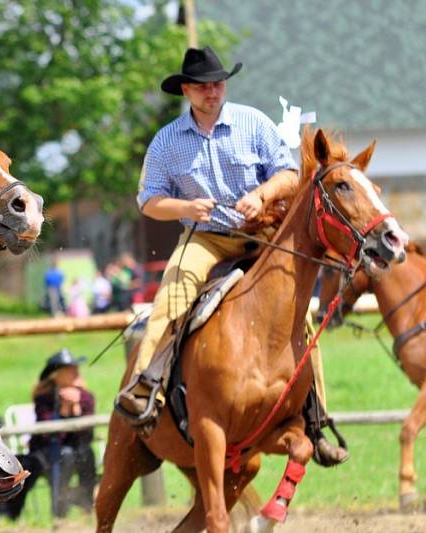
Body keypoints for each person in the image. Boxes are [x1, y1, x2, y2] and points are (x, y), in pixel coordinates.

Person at [114, 46, 348, 466]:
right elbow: (148, 202)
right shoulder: (166, 141)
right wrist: (185, 208)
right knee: (172, 297)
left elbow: (291, 174)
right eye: (203, 86)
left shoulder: (252, 122)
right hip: (207, 239)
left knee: (302, 317)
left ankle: (315, 417)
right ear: (186, 90)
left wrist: (262, 195)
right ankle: (144, 387)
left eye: (218, 83)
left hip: (264, 237)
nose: (212, 91)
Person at [2, 349, 97, 519]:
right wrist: (64, 409)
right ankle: (59, 511)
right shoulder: (44, 397)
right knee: (65, 453)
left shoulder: (86, 397)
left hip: (77, 452)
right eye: (70, 369)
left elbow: (87, 435)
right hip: (46, 453)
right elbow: (49, 436)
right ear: (57, 375)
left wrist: (76, 408)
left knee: (86, 452)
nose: (76, 371)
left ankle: (86, 503)